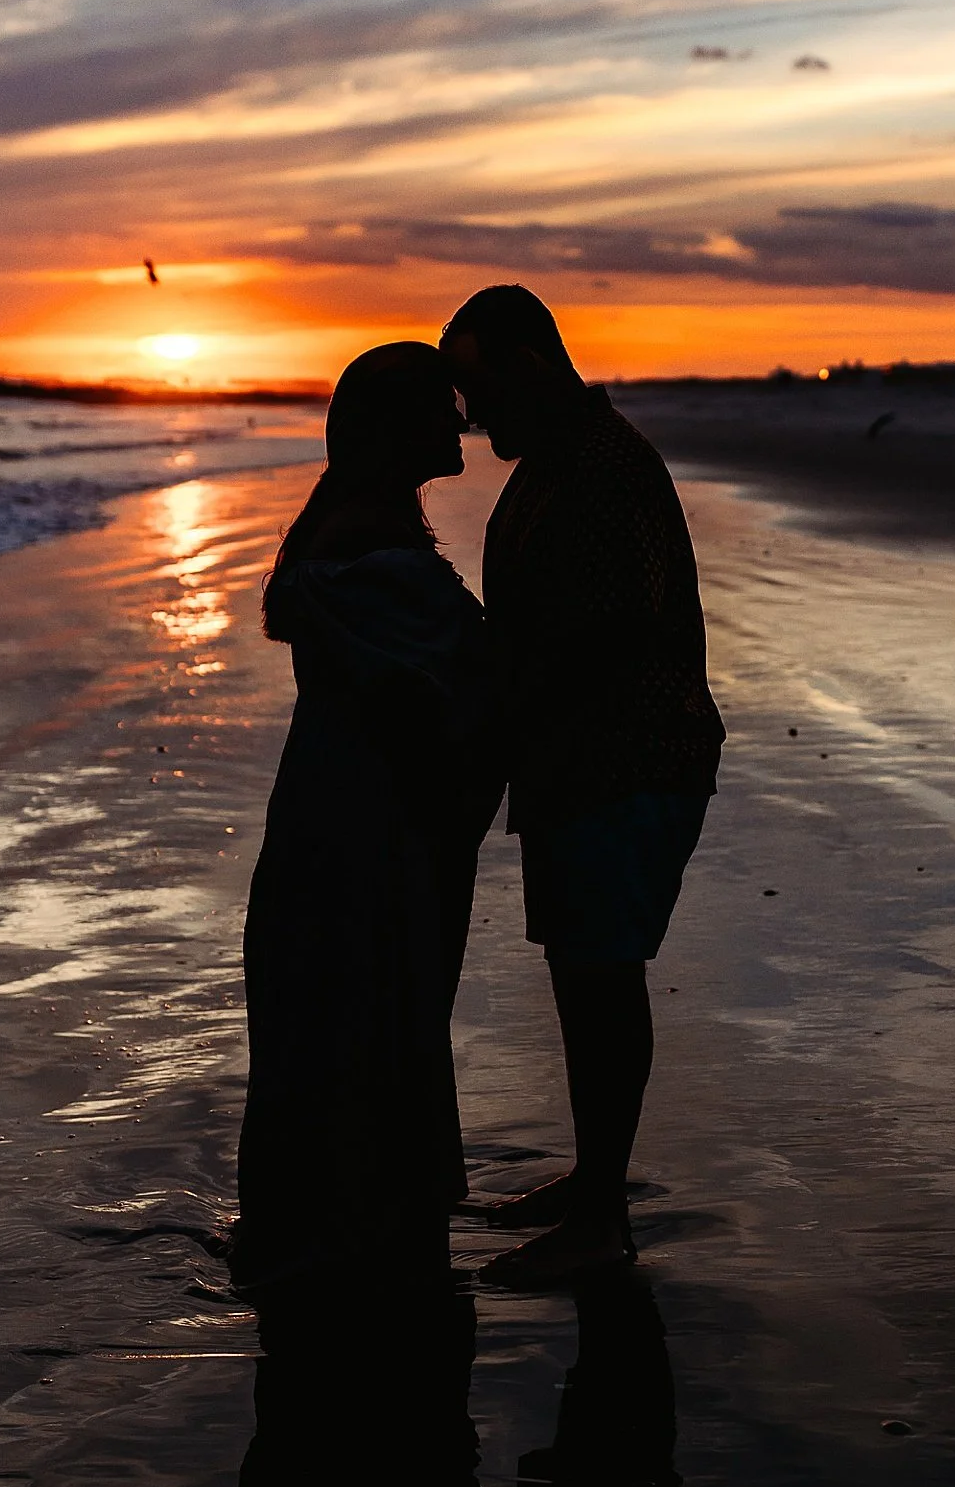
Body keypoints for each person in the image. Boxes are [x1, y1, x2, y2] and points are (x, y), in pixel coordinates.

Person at [441, 287, 725, 1287]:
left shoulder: (602, 469)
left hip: (629, 759)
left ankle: (601, 1212)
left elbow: (592, 641)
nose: (471, 418)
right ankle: (594, 1180)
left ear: (527, 363)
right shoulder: (563, 462)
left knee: (601, 978)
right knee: (584, 975)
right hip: (583, 763)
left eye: (478, 389)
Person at [231, 343, 503, 1291]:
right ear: (394, 433)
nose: (459, 421)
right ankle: (353, 1248)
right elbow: (448, 700)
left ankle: (323, 1235)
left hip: (331, 818)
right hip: (361, 832)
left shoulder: (354, 533)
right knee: (366, 1016)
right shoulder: (377, 557)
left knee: (334, 1024)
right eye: (440, 408)